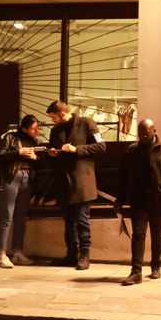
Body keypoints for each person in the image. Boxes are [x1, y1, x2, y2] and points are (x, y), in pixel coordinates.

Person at [116, 119, 161, 286]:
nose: (143, 137)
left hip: (158, 197)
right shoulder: (132, 151)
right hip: (138, 199)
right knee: (138, 233)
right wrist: (120, 197)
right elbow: (122, 175)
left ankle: (156, 267)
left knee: (156, 232)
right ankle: (136, 271)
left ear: (154, 131)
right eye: (140, 134)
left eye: (146, 133)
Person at [46, 100, 105, 270]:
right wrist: (52, 153)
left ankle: (84, 255)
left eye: (54, 117)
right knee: (68, 220)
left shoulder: (86, 123)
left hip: (82, 181)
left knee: (81, 219)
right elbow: (52, 153)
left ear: (63, 114)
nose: (53, 121)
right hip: (63, 181)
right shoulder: (55, 131)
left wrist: (76, 150)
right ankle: (71, 254)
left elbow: (101, 146)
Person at [0, 114, 41, 268]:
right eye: (33, 128)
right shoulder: (11, 138)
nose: (36, 131)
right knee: (7, 216)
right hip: (11, 177)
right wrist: (18, 153)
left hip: (27, 177)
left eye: (37, 128)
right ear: (24, 128)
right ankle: (1, 254)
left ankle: (18, 253)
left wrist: (35, 158)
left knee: (21, 217)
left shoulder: (34, 142)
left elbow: (41, 164)